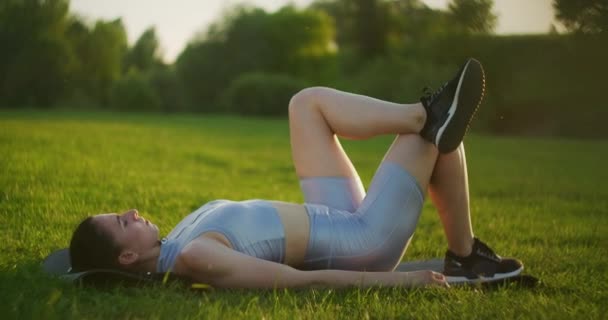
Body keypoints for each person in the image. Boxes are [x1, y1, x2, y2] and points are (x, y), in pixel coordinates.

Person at [69, 58, 523, 289]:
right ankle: (464, 252)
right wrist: (400, 280)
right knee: (426, 141)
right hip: (363, 242)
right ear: (127, 259)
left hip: (331, 214)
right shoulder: (194, 259)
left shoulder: (175, 241)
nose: (130, 212)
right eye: (121, 222)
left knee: (304, 103)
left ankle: (425, 115)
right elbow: (300, 282)